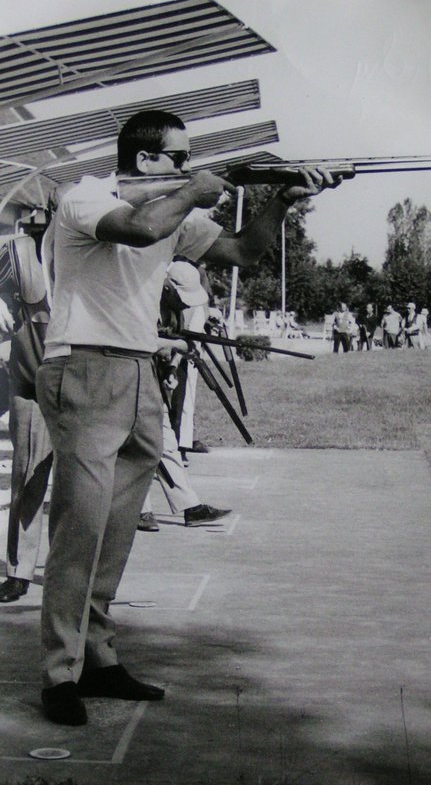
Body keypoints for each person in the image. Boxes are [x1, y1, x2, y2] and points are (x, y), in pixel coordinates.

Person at [35, 109, 342, 726]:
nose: (187, 167)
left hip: (138, 367)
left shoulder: (169, 204)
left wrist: (280, 202)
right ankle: (58, 674)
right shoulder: (87, 197)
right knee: (81, 527)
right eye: (178, 158)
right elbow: (142, 229)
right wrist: (195, 190)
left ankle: (97, 657)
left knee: (116, 527)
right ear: (146, 161)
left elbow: (239, 251)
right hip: (85, 364)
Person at [138, 260, 231, 532]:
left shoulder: (176, 309)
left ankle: (190, 507)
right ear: (167, 286)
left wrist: (171, 369)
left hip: (153, 380)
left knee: (165, 443)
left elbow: (179, 343)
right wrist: (175, 345)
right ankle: (140, 510)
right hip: (132, 379)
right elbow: (138, 341)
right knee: (141, 447)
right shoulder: (145, 302)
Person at [0, 236, 53, 604]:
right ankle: (19, 570)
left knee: (85, 487)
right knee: (28, 479)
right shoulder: (18, 259)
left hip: (81, 382)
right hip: (33, 388)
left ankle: (79, 571)